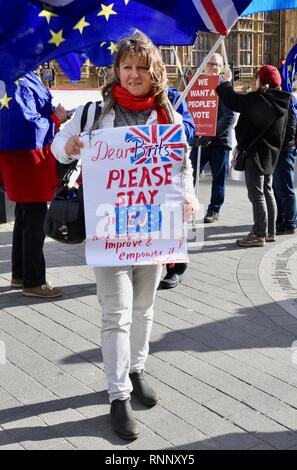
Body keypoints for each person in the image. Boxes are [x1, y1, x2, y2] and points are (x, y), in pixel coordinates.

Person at [51, 31, 198, 440]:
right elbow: (56, 146)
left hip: (152, 232)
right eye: (127, 67)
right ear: (116, 70)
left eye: (141, 68)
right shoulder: (94, 113)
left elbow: (182, 170)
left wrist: (187, 200)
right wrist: (71, 145)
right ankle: (117, 396)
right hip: (109, 231)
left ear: (155, 72)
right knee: (116, 313)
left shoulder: (169, 116)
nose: (134, 75)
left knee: (145, 308)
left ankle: (136, 370)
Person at [0, 71, 69, 297]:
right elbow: (25, 124)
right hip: (27, 157)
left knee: (24, 215)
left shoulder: (21, 72)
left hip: (23, 156)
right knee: (35, 219)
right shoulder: (17, 75)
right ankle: (34, 281)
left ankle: (19, 274)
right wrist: (56, 118)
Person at [216, 65, 291, 247]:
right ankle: (270, 231)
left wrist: (225, 81)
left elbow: (233, 101)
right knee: (267, 191)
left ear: (262, 82)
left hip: (256, 154)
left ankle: (258, 234)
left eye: (256, 78)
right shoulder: (281, 102)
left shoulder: (258, 100)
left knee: (256, 194)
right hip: (271, 154)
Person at [190, 53, 235, 224]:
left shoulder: (225, 88)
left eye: (216, 64)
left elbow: (229, 117)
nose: (213, 67)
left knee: (218, 178)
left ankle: (214, 210)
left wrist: (210, 134)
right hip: (199, 141)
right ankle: (188, 206)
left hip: (219, 142)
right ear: (203, 67)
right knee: (190, 174)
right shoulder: (197, 87)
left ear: (222, 67)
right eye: (209, 64)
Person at [159, 87, 195, 289]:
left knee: (172, 221)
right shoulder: (116, 96)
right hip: (136, 178)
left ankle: (175, 268)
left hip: (166, 172)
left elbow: (189, 129)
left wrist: (172, 121)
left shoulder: (173, 97)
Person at [273, 106, 297, 235]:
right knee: (277, 188)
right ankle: (281, 220)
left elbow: (290, 131)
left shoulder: (286, 104)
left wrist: (281, 147)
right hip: (278, 151)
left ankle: (289, 223)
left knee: (286, 188)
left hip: (284, 152)